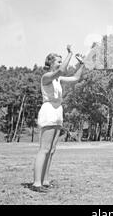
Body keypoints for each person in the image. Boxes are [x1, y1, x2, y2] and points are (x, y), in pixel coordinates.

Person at [30, 45, 85, 192]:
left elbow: (75, 78)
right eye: (58, 61)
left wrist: (81, 64)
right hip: (48, 110)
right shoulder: (46, 77)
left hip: (57, 111)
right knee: (44, 149)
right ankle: (36, 183)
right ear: (51, 63)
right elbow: (61, 70)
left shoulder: (58, 79)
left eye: (62, 61)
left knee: (52, 150)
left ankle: (45, 180)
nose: (61, 64)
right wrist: (70, 54)